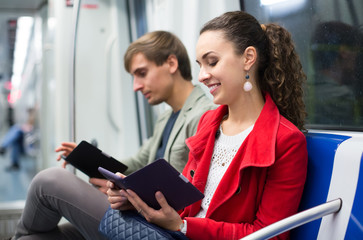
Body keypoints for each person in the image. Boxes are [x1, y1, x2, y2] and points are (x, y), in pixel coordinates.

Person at [106, 11, 308, 240]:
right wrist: (135, 200)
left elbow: (270, 235)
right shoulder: (209, 123)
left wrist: (183, 227)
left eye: (212, 62)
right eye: (200, 65)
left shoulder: (286, 141)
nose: (201, 76)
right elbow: (180, 202)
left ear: (248, 58)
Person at [13, 31, 215, 239]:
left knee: (49, 181)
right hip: (141, 215)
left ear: (171, 64)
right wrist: (91, 159)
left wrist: (128, 192)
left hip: (159, 225)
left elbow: (192, 195)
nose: (136, 86)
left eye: (142, 73)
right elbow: (138, 162)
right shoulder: (165, 118)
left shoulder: (204, 116)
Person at [308, 21, 362, 125]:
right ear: (344, 52)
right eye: (357, 51)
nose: (358, 59)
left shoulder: (304, 91)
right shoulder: (342, 97)